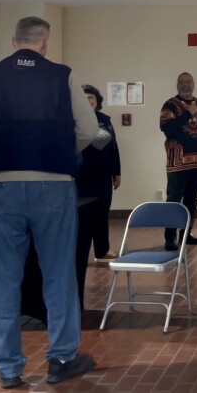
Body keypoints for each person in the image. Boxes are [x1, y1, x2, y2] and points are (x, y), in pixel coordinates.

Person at [0, 16, 99, 389]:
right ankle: (62, 358)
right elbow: (87, 129)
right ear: (45, 43)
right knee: (58, 275)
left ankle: (8, 368)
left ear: (14, 40)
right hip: (53, 185)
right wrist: (60, 157)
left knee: (2, 280)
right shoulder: (62, 75)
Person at [159, 72, 197, 249]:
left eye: (188, 82)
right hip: (178, 162)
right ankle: (170, 236)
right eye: (181, 82)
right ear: (177, 85)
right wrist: (186, 114)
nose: (185, 85)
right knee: (174, 198)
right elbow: (167, 128)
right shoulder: (170, 104)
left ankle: (186, 233)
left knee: (192, 199)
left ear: (194, 84)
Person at [77, 84, 121, 262]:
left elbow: (113, 147)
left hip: (103, 176)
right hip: (82, 177)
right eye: (84, 98)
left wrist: (116, 172)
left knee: (102, 213)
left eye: (91, 98)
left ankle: (102, 251)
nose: (88, 101)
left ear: (97, 101)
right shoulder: (74, 120)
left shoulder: (105, 119)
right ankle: (81, 254)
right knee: (85, 217)